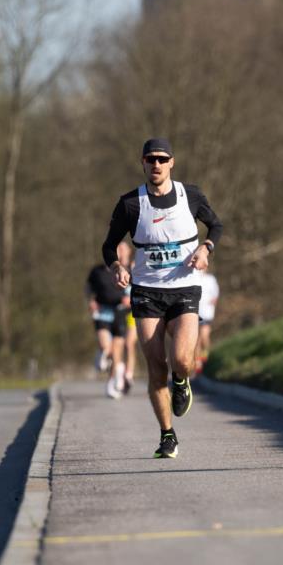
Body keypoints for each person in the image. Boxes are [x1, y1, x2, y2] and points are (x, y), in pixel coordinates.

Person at [102, 138, 223, 458]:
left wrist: (205, 248)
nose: (156, 164)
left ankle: (181, 381)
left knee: (182, 359)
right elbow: (108, 245)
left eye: (161, 159)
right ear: (142, 163)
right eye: (150, 159)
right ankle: (167, 435)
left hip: (185, 287)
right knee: (156, 365)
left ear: (171, 162)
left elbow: (216, 226)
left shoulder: (190, 195)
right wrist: (116, 266)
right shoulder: (130, 204)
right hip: (147, 291)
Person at [86, 247, 130, 399]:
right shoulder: (96, 271)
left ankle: (112, 382)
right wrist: (91, 301)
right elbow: (88, 289)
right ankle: (104, 355)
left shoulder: (126, 270)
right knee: (106, 347)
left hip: (120, 312)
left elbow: (133, 289)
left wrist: (129, 299)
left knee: (116, 352)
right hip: (102, 312)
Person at [195, 270, 220, 374]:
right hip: (195, 312)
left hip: (207, 312)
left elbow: (215, 294)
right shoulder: (192, 277)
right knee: (196, 339)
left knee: (204, 335)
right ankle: (198, 364)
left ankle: (205, 355)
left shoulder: (210, 279)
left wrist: (213, 301)